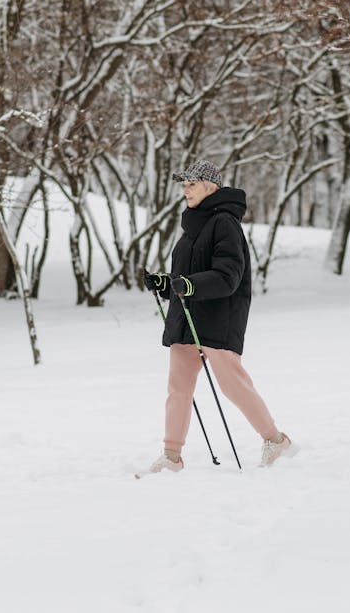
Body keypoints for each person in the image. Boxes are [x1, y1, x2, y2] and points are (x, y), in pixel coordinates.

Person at [141, 159, 295, 474]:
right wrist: (167, 284)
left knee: (232, 385)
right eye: (183, 185)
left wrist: (188, 285)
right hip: (187, 320)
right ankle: (172, 457)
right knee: (178, 386)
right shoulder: (191, 226)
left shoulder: (225, 223)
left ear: (210, 187)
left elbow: (228, 276)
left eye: (191, 184)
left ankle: (274, 439)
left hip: (218, 318)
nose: (185, 190)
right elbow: (186, 279)